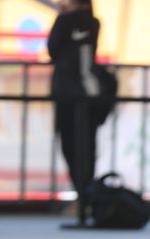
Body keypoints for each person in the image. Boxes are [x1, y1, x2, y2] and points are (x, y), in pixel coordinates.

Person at [47, 0, 100, 209]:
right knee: (87, 147)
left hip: (70, 95)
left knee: (71, 146)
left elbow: (52, 49)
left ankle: (84, 198)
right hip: (89, 94)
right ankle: (86, 198)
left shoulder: (67, 21)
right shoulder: (92, 22)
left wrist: (62, 16)